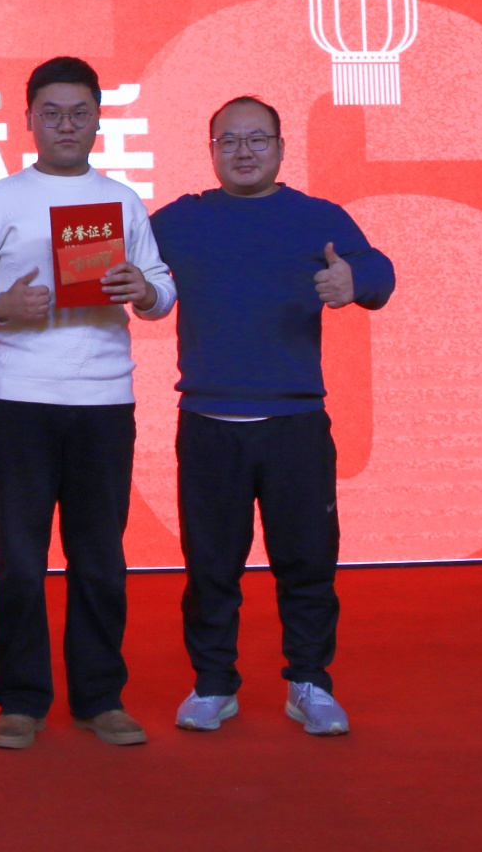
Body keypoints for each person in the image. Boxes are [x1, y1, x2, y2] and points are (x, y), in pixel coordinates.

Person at [0, 56, 177, 751]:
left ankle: (100, 697)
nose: (66, 125)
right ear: (29, 121)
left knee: (99, 556)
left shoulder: (122, 201)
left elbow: (163, 290)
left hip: (103, 399)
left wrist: (144, 291)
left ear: (99, 120)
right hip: (18, 398)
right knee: (18, 558)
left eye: (79, 113)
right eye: (52, 113)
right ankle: (21, 700)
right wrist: (1, 305)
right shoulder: (1, 200)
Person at [149, 95, 396, 737]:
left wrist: (355, 284)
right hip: (208, 423)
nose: (244, 152)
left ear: (282, 149)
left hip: (295, 425)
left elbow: (379, 270)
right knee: (210, 565)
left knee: (308, 560)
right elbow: (118, 260)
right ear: (211, 151)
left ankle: (309, 681)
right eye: (228, 141)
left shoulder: (317, 218)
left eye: (257, 139)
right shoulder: (180, 219)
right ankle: (213, 683)